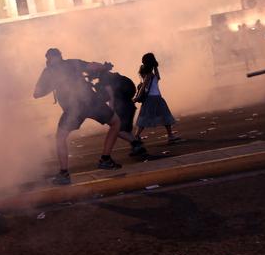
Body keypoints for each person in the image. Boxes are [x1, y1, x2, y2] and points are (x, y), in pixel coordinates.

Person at [33, 48, 122, 186]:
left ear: (49, 59)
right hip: (91, 102)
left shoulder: (48, 72)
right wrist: (105, 66)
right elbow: (93, 65)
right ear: (60, 56)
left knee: (60, 138)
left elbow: (37, 93)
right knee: (116, 123)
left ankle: (64, 173)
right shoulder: (73, 63)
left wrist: (52, 85)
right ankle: (105, 159)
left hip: (74, 109)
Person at [93, 69, 147, 157]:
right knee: (126, 130)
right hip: (129, 105)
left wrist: (110, 112)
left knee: (116, 130)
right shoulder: (117, 77)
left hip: (122, 107)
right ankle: (137, 148)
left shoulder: (105, 80)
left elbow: (111, 97)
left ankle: (136, 143)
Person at [134, 53, 179, 144]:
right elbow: (143, 87)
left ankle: (170, 135)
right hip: (154, 99)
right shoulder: (149, 75)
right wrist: (138, 97)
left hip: (156, 98)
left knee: (153, 118)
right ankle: (136, 136)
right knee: (164, 116)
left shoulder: (151, 75)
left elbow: (158, 77)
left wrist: (155, 66)